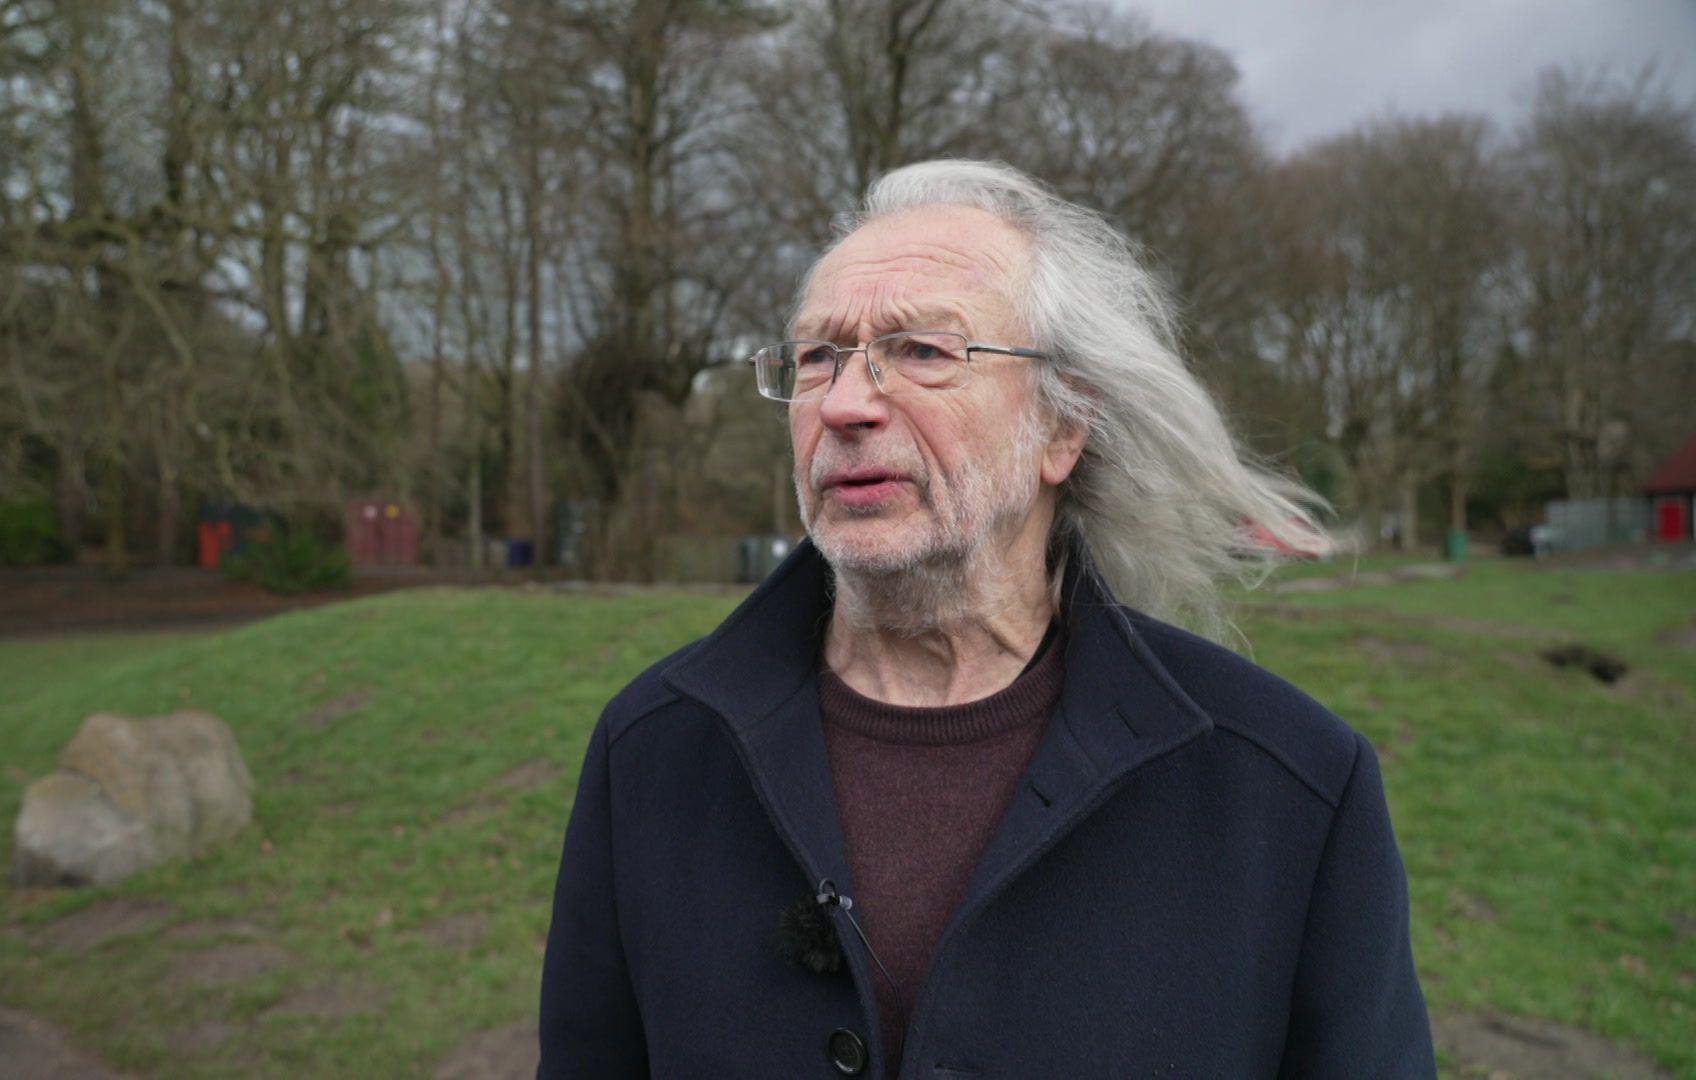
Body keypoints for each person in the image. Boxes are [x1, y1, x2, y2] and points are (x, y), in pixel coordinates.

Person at [537, 160, 1434, 1078]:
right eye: (818, 357)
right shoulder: (654, 751)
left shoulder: (1288, 788)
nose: (845, 404)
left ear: (1062, 427)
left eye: (923, 351)